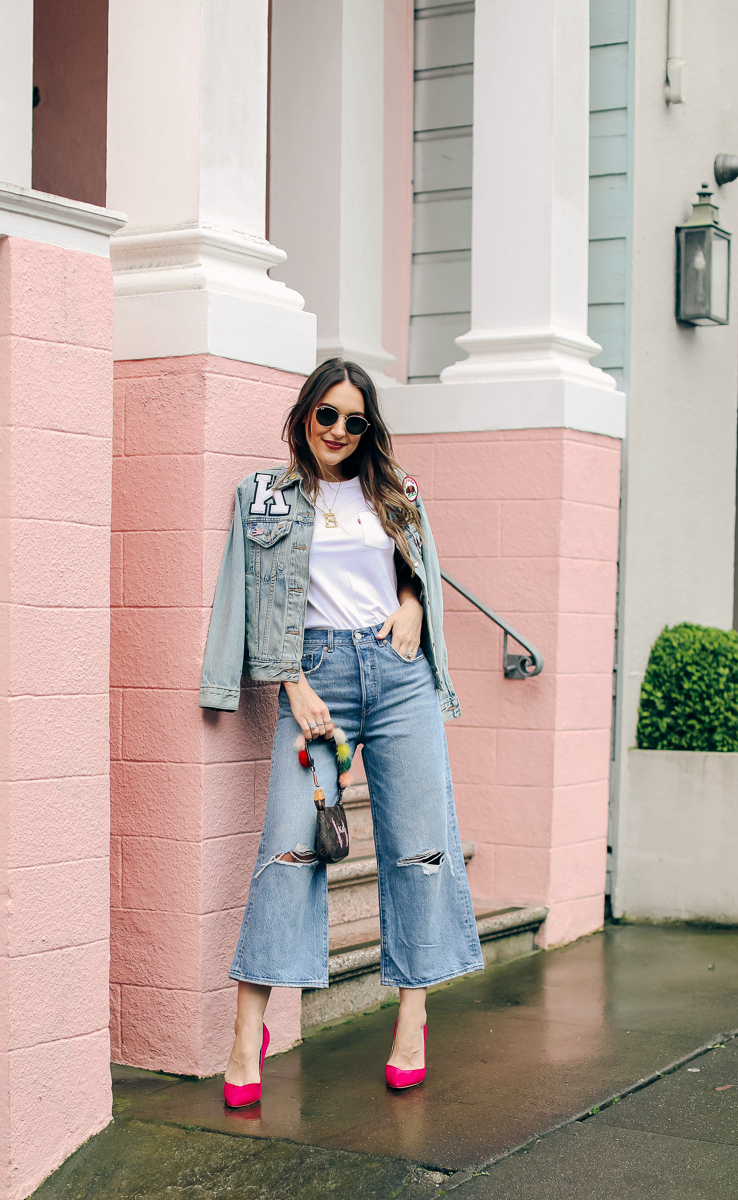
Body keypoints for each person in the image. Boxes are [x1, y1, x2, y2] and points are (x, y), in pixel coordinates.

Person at [198, 357, 483, 1105]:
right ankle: (246, 1032)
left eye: (355, 420)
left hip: (399, 675)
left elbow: (420, 571)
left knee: (419, 845)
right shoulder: (264, 497)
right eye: (328, 415)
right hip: (316, 676)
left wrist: (415, 606)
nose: (339, 431)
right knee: (290, 847)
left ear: (369, 428)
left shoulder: (397, 492)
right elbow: (246, 591)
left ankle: (412, 1020)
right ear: (305, 416)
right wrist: (288, 683)